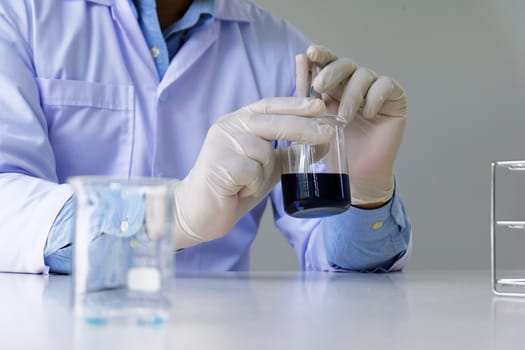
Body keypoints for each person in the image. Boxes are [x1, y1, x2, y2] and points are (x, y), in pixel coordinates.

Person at [0, 0, 411, 274]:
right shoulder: (19, 15)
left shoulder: (280, 49)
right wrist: (169, 216)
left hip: (220, 333)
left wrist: (364, 190)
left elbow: (332, 261)